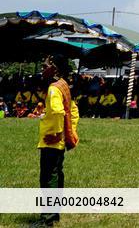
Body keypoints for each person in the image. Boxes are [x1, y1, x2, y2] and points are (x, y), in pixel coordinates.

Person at [37, 55, 78, 226]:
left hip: (51, 141)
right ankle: (55, 214)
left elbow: (59, 111)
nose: (42, 69)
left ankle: (48, 218)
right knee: (56, 175)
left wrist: (57, 134)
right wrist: (69, 132)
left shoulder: (54, 88)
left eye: (44, 66)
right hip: (59, 142)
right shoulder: (64, 86)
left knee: (48, 178)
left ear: (53, 68)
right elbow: (73, 111)